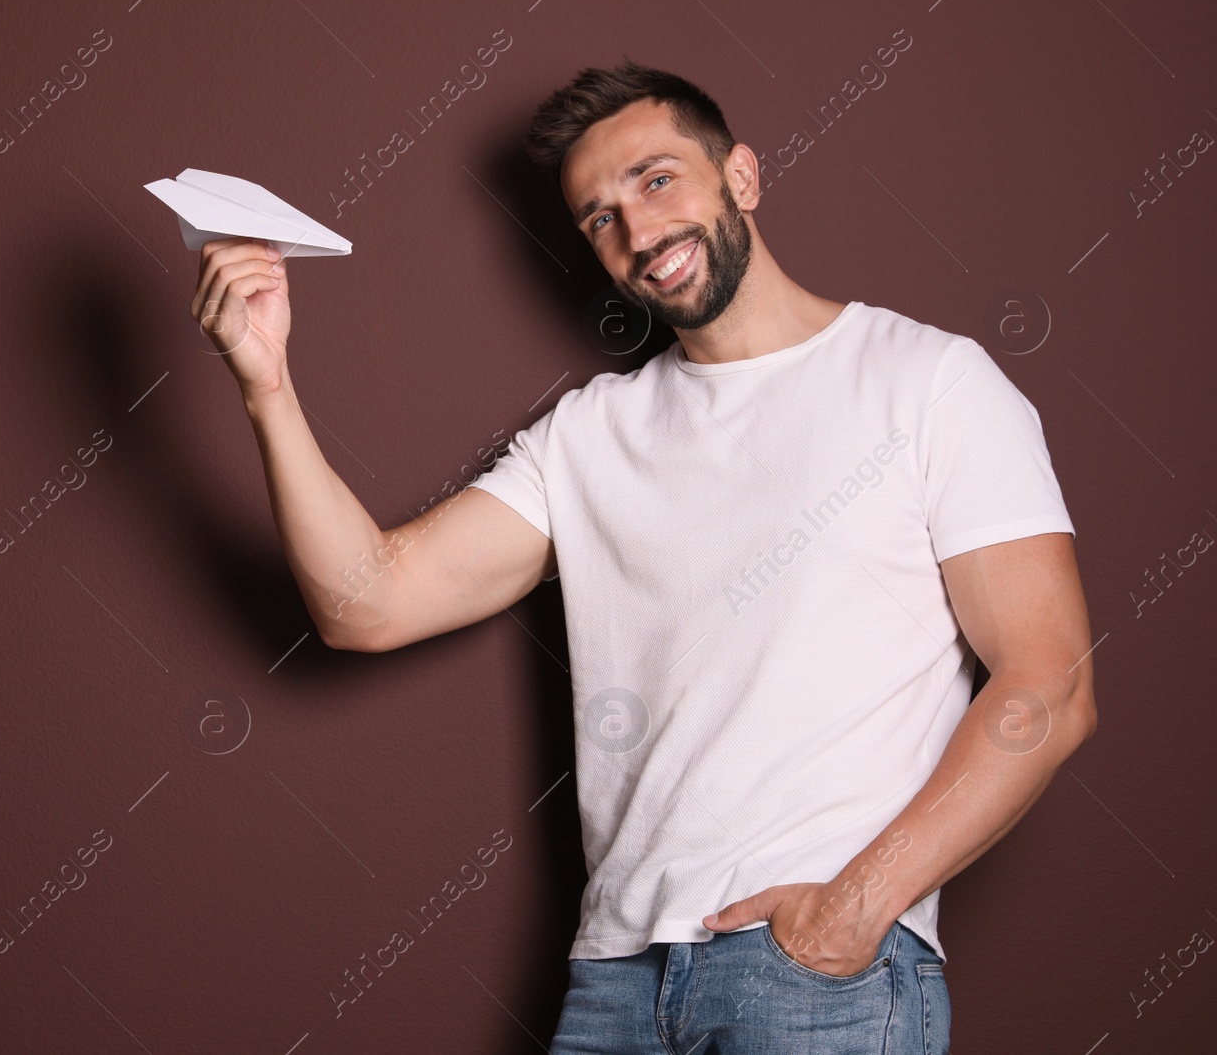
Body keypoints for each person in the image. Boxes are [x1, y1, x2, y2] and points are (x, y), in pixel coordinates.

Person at [188, 60, 1096, 1054]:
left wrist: (855, 907)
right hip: (614, 982)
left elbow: (1045, 685)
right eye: (599, 217)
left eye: (657, 179)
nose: (636, 230)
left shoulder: (927, 382)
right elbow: (367, 604)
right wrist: (265, 382)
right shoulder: (588, 434)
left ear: (740, 175)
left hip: (815, 979)